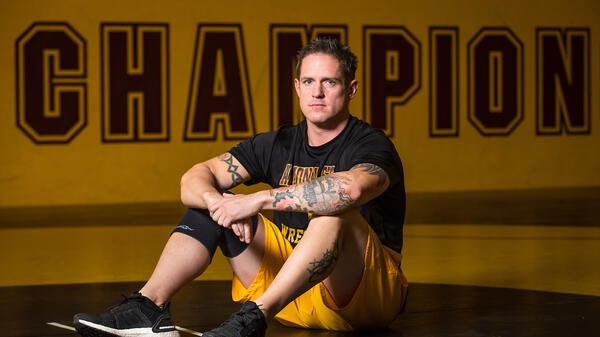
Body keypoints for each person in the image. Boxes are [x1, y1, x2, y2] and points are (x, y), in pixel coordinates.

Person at [73, 38, 408, 337]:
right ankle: (148, 306)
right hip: (292, 294)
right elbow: (193, 178)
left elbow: (350, 191)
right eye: (308, 81)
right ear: (296, 87)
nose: (316, 92)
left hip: (362, 299)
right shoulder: (278, 142)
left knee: (333, 212)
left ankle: (253, 319)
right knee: (214, 202)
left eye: (329, 82)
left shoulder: (371, 145)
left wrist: (257, 201)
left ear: (350, 89)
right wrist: (219, 203)